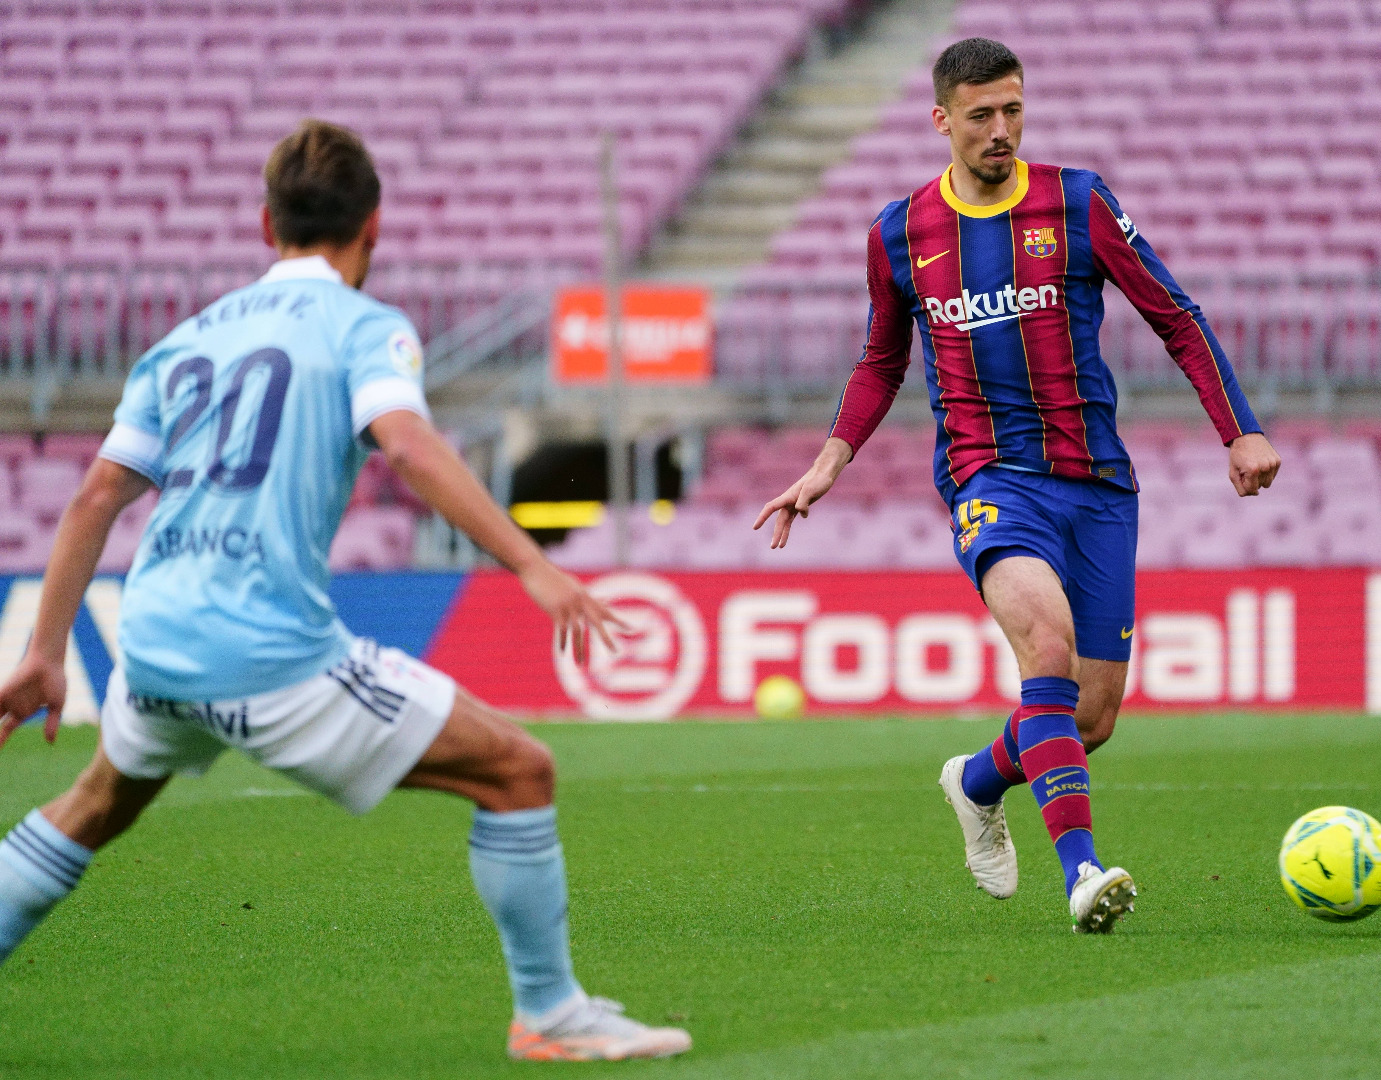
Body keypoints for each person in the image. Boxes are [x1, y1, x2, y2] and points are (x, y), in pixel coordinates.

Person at [0, 120, 691, 1062]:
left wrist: (43, 653)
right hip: (265, 650)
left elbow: (94, 496)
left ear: (265, 224)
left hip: (153, 640)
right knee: (518, 772)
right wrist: (532, 564)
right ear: (374, 226)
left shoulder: (185, 340)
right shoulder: (364, 327)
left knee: (91, 804)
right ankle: (550, 1014)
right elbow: (407, 445)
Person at [755, 39, 1282, 932]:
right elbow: (881, 361)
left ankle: (975, 780)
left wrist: (1241, 429)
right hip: (989, 477)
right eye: (981, 115)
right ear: (942, 120)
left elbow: (1176, 317)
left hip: (1098, 482)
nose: (1001, 130)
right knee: (1046, 646)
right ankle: (1083, 871)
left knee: (1091, 718)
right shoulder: (900, 233)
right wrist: (828, 462)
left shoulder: (1078, 201)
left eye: (1014, 110)